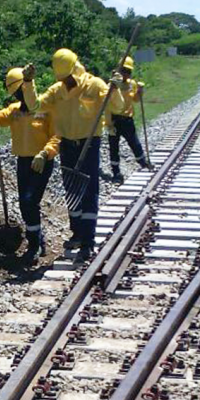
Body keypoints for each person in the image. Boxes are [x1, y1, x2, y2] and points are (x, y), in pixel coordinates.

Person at [35, 48, 125, 262]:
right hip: (67, 145)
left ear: (76, 70)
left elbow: (118, 106)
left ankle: (88, 242)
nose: (66, 83)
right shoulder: (57, 90)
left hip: (89, 143)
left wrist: (115, 89)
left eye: (68, 78)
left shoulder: (96, 85)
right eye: (63, 79)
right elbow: (36, 105)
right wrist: (28, 84)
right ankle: (77, 232)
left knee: (89, 192)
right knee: (72, 189)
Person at [0, 65, 60, 264]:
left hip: (41, 162)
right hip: (23, 162)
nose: (18, 97)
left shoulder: (45, 108)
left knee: (29, 200)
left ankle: (33, 244)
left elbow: (58, 136)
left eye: (19, 92)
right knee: (26, 204)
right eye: (15, 94)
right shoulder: (15, 111)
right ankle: (38, 238)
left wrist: (45, 153)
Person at [106, 56, 151, 184]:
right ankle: (116, 173)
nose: (126, 73)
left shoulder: (132, 84)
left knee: (134, 142)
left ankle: (143, 162)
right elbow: (106, 105)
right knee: (114, 147)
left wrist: (140, 92)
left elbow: (135, 99)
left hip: (127, 119)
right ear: (119, 70)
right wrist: (108, 124)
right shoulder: (112, 85)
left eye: (128, 71)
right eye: (124, 70)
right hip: (114, 120)